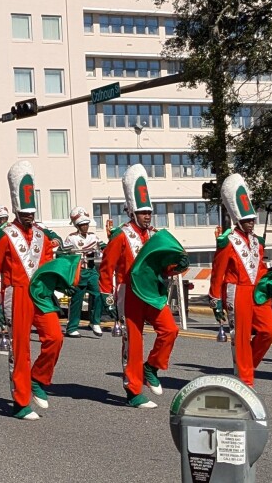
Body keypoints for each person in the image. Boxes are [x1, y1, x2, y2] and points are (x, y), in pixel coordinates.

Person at [99, 164, 179, 408]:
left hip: (152, 294)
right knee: (133, 342)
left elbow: (164, 263)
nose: (147, 216)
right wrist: (106, 295)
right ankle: (133, 391)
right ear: (132, 212)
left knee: (170, 330)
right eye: (143, 212)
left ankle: (151, 367)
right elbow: (107, 267)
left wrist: (173, 267)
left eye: (149, 212)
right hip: (129, 294)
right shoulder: (121, 235)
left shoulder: (155, 235)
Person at [0, 161, 61, 420]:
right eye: (25, 212)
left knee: (55, 337)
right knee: (20, 349)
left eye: (32, 211)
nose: (30, 216)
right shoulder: (3, 235)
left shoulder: (42, 235)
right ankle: (20, 401)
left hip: (39, 294)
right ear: (17, 210)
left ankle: (39, 378)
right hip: (15, 294)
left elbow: (49, 265)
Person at [210, 173, 272, 388]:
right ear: (238, 219)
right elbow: (217, 271)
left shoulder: (258, 242)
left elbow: (261, 268)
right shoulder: (228, 241)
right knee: (240, 336)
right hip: (236, 290)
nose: (251, 223)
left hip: (257, 291)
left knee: (270, 330)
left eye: (252, 220)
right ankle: (245, 380)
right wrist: (215, 297)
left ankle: (247, 364)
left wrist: (269, 287)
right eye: (247, 220)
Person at [62, 207, 104, 338]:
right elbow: (63, 252)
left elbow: (103, 246)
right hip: (79, 272)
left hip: (91, 271)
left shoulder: (93, 236)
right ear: (77, 226)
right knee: (77, 300)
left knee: (98, 294)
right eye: (82, 225)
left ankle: (95, 321)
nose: (85, 227)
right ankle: (72, 327)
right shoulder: (71, 238)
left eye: (86, 224)